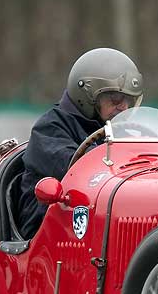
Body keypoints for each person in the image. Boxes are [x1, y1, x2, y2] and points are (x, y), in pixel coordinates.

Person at [17, 48, 143, 239]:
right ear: (87, 96)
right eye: (116, 98)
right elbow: (80, 171)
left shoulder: (123, 129)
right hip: (51, 235)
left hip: (102, 226)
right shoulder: (49, 129)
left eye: (128, 99)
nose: (123, 106)